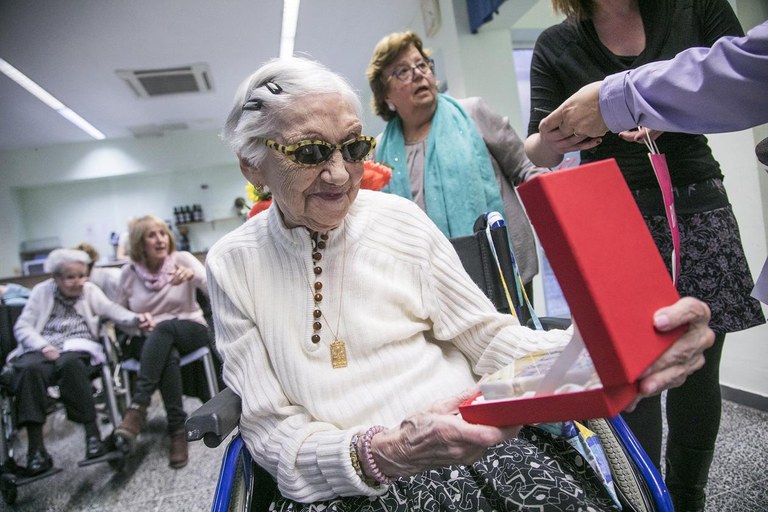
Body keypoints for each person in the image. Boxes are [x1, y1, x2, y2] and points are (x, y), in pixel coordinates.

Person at [206, 55, 715, 510]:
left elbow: (489, 338)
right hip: (349, 480)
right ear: (252, 161)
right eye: (310, 153)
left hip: (472, 443)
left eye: (352, 147)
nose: (340, 175)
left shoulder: (399, 220)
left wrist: (605, 352)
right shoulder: (232, 264)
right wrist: (383, 452)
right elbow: (271, 430)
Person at [523, 2, 765, 510]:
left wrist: (665, 110)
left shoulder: (696, 6)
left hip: (696, 203)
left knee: (699, 366)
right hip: (609, 217)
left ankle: (687, 497)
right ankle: (644, 501)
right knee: (635, 375)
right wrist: (555, 137)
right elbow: (538, 150)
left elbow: (746, 80)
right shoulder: (555, 44)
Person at [366, 31, 544, 302]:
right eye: (402, 71)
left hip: (503, 268)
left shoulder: (473, 113)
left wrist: (561, 214)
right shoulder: (380, 150)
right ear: (385, 94)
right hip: (432, 286)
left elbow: (526, 169)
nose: (418, 74)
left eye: (422, 64)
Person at [11, 249, 152, 475]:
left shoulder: (89, 290)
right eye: (71, 277)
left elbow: (111, 310)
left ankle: (92, 436)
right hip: (43, 347)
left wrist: (136, 319)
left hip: (78, 346)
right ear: (55, 278)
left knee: (71, 364)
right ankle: (36, 450)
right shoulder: (41, 292)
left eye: (82, 275)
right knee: (28, 370)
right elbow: (22, 326)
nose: (78, 282)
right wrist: (42, 346)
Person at [539, 19, 768, 137]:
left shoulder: (690, 7)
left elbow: (738, 76)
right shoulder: (555, 41)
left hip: (697, 187)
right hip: (610, 192)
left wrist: (618, 101)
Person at [113, 214, 212, 469]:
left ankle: (138, 406)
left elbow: (215, 289)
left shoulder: (183, 260)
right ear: (139, 243)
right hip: (152, 341)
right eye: (151, 235)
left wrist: (193, 276)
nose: (160, 239)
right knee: (167, 353)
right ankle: (178, 432)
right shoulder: (129, 273)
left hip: (191, 328)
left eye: (162, 233)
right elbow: (118, 315)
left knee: (165, 328)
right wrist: (136, 320)